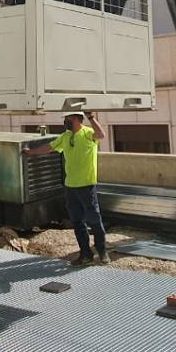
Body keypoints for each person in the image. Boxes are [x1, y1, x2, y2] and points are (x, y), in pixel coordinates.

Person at [22, 111, 109, 266]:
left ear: (75, 119)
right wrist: (31, 152)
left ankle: (102, 252)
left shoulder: (87, 133)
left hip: (87, 185)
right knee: (77, 221)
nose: (65, 122)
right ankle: (85, 254)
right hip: (70, 186)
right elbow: (49, 148)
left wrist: (91, 117)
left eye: (67, 119)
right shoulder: (65, 136)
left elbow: (101, 135)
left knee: (94, 220)